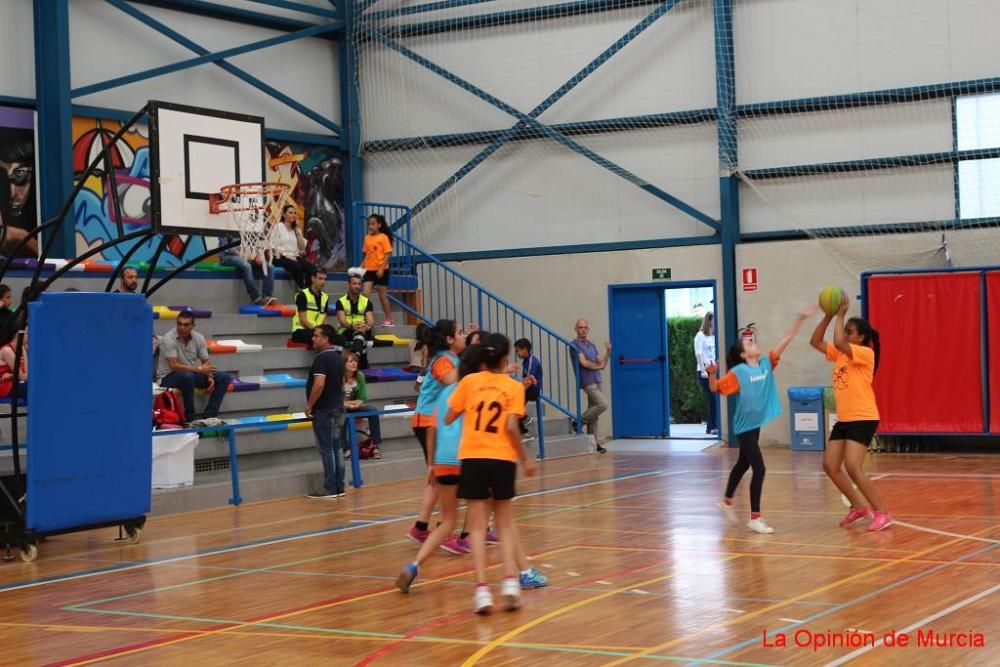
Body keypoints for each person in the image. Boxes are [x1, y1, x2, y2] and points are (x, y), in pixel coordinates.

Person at [395, 341, 547, 594]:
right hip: (470, 457)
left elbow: (433, 427)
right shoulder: (476, 387)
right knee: (504, 519)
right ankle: (519, 573)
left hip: (442, 460)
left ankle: (414, 565)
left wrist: (431, 463)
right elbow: (502, 416)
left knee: (447, 521)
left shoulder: (446, 392)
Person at [445, 333, 537, 614]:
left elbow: (449, 416)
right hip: (501, 458)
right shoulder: (513, 387)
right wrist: (525, 460)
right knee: (505, 523)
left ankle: (482, 591)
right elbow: (511, 427)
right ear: (504, 358)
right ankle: (510, 583)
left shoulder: (469, 382)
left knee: (476, 526)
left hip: (473, 456)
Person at [707, 307, 813, 535]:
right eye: (749, 345)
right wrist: (712, 373)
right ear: (744, 355)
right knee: (760, 468)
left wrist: (800, 318)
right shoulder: (738, 373)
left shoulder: (766, 363)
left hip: (755, 424)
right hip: (744, 427)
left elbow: (786, 339)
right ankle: (755, 518)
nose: (753, 344)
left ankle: (726, 502)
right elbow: (715, 388)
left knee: (743, 464)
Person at [809, 295, 892, 531]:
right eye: (844, 330)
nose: (845, 334)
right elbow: (815, 341)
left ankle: (882, 512)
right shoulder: (841, 354)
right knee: (830, 465)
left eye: (849, 331)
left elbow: (837, 340)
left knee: (853, 467)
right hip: (845, 418)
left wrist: (841, 314)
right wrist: (827, 315)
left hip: (863, 417)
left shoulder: (864, 354)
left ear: (861, 337)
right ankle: (858, 507)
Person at [408, 320, 466, 543]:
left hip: (436, 421)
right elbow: (451, 380)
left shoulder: (452, 358)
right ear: (450, 339)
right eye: (460, 332)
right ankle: (444, 529)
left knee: (438, 476)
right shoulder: (443, 359)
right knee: (445, 477)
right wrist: (471, 359)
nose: (463, 335)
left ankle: (421, 527)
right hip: (427, 422)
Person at [157, 311, 232, 420]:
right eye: (179, 324)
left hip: (190, 374)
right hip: (167, 377)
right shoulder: (168, 338)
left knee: (224, 377)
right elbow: (174, 366)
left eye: (186, 324)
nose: (182, 327)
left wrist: (210, 376)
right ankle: (190, 417)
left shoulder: (199, 338)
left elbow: (205, 362)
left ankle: (209, 416)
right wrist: (198, 369)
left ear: (193, 326)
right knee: (188, 376)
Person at [304, 324, 347, 499]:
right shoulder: (338, 357)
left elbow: (319, 383)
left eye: (316, 336)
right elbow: (343, 382)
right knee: (337, 448)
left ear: (325, 339)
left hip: (324, 409)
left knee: (327, 449)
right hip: (338, 407)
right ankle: (339, 486)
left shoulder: (321, 359)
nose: (313, 338)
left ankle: (330, 488)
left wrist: (309, 405)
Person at [569, 319, 611, 452]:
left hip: (597, 380)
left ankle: (594, 443)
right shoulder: (574, 345)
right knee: (602, 404)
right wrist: (599, 366)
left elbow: (602, 363)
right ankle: (579, 421)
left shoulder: (592, 345)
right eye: (581, 327)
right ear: (576, 329)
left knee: (594, 414)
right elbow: (584, 363)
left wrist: (608, 352)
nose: (583, 330)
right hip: (587, 381)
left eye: (586, 328)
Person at [341, 350, 382, 460]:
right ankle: (345, 448)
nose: (354, 363)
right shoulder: (338, 377)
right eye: (350, 361)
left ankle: (374, 446)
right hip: (341, 408)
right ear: (343, 364)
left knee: (373, 410)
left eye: (355, 361)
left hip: (355, 407)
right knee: (342, 413)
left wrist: (355, 404)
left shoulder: (360, 376)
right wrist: (349, 405)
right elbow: (336, 400)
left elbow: (363, 398)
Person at [334, 274, 375, 367]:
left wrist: (367, 326)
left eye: (359, 284)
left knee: (360, 335)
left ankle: (354, 358)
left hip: (362, 331)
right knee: (341, 339)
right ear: (348, 284)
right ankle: (357, 361)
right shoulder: (340, 302)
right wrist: (352, 326)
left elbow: (371, 321)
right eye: (354, 283)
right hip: (346, 330)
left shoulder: (366, 302)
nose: (357, 286)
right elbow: (342, 321)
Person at [272, 204, 316, 289]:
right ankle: (302, 288)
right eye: (291, 212)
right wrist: (286, 255)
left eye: (295, 213)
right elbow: (274, 247)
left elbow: (302, 248)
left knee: (313, 269)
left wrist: (297, 232)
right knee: (297, 266)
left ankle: (308, 289)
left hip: (295, 257)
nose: (294, 215)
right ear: (284, 215)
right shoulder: (278, 227)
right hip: (280, 257)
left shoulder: (297, 229)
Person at [362, 214, 394, 326]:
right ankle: (365, 317)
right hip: (369, 270)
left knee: (382, 296)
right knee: (365, 293)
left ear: (379, 225)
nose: (370, 226)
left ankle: (389, 319)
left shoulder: (384, 237)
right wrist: (361, 266)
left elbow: (388, 254)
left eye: (373, 224)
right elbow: (367, 254)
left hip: (382, 270)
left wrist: (381, 269)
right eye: (369, 224)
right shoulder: (367, 237)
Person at [291, 269, 330, 348]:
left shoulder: (325, 297)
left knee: (338, 338)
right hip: (301, 330)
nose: (323, 282)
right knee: (321, 338)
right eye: (320, 278)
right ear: (313, 278)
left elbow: (324, 320)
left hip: (316, 331)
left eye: (325, 279)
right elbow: (303, 320)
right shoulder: (302, 295)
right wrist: (318, 332)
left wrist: (327, 331)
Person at [694, 312, 719, 436]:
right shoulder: (700, 336)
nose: (715, 323)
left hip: (713, 371)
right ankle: (712, 427)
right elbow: (698, 353)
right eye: (713, 320)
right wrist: (703, 370)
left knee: (716, 399)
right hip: (704, 372)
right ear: (708, 321)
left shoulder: (715, 336)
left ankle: (714, 425)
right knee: (712, 398)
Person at [512, 338, 542, 439]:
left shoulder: (531, 361)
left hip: (532, 390)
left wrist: (519, 390)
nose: (517, 354)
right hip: (528, 389)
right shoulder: (526, 361)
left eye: (518, 351)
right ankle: (524, 425)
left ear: (525, 349)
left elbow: (529, 380)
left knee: (514, 406)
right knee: (514, 406)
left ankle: (525, 427)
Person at [0, 323, 27, 398]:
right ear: (18, 334)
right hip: (5, 387)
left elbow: (26, 373)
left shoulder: (21, 348)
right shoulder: (7, 351)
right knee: (33, 387)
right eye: (27, 333)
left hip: (15, 382)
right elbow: (23, 377)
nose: (29, 336)